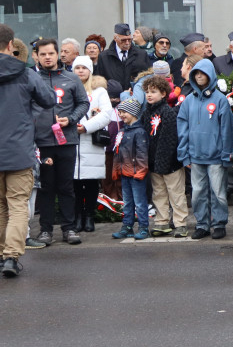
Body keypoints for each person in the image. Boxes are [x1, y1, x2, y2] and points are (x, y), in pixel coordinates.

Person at [0, 24, 55, 277]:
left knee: (1, 207)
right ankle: (11, 256)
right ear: (11, 45)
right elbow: (48, 100)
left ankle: (3, 255)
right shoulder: (26, 73)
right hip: (19, 150)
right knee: (18, 205)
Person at [32, 38, 89, 247]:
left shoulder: (71, 78)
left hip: (67, 141)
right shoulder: (32, 78)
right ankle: (45, 230)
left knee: (66, 186)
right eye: (43, 54)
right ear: (36, 56)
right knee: (46, 188)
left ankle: (69, 228)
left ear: (58, 55)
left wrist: (71, 119)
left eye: (51, 53)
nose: (47, 57)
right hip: (42, 142)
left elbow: (84, 103)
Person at [177, 58, 233, 241]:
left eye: (203, 73)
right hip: (196, 157)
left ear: (210, 75)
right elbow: (182, 129)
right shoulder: (188, 101)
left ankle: (219, 224)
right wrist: (184, 154)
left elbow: (228, 129)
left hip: (216, 156)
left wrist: (227, 153)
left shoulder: (220, 101)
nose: (200, 76)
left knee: (218, 193)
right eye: (196, 73)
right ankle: (202, 224)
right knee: (197, 193)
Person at [136, 76, 188, 238]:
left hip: (171, 163)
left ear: (164, 93)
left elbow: (169, 140)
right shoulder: (146, 113)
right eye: (147, 92)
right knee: (158, 193)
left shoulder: (168, 113)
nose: (149, 95)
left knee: (176, 193)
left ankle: (180, 223)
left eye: (153, 92)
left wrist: (164, 161)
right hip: (153, 163)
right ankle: (162, 221)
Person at [70, 56, 112, 234]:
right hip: (72, 142)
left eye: (84, 68)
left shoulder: (99, 92)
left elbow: (105, 114)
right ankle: (78, 216)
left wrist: (86, 127)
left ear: (90, 71)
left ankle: (89, 216)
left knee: (91, 181)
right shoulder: (68, 89)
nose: (80, 71)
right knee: (75, 183)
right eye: (77, 68)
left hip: (91, 141)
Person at [110, 98, 150, 240]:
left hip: (136, 174)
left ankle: (144, 227)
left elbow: (142, 154)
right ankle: (127, 226)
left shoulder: (139, 132)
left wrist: (140, 171)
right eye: (119, 112)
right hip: (124, 173)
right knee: (127, 202)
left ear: (133, 113)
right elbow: (117, 152)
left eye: (124, 112)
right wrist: (116, 170)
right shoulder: (122, 131)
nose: (121, 115)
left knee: (139, 202)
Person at [94, 23, 150, 89]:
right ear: (115, 38)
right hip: (113, 97)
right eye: (123, 40)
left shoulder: (141, 55)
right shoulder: (104, 57)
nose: (127, 43)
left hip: (135, 96)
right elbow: (99, 81)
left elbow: (148, 78)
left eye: (129, 40)